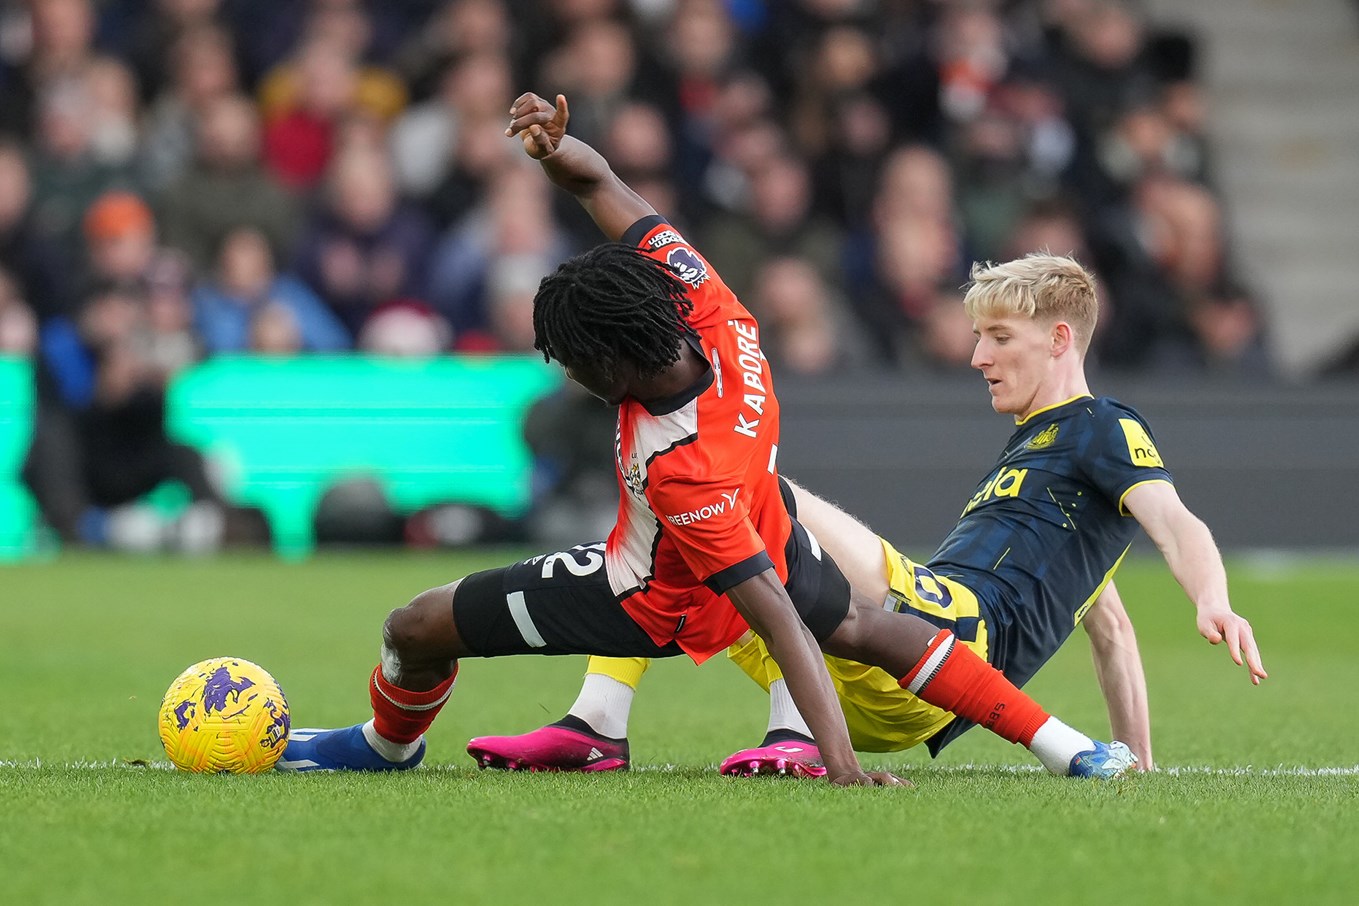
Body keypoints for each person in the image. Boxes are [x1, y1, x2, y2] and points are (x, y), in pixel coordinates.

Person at [278, 93, 1137, 786]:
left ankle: (388, 748)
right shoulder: (716, 316)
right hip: (766, 523)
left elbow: (772, 620)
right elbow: (624, 204)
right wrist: (560, 156)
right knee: (876, 630)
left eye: (575, 362)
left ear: (614, 364)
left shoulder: (681, 465)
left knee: (414, 625)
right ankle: (1070, 748)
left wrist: (841, 767)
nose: (569, 377)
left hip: (652, 592)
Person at [466, 252, 1267, 777]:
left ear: (1060, 339)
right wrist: (1145, 766)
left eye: (997, 337)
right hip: (876, 686)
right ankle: (602, 722)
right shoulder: (1044, 472)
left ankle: (742, 733)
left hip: (944, 635)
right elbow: (1110, 630)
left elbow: (1175, 520)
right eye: (976, 336)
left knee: (741, 494)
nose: (977, 356)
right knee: (679, 543)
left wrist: (1212, 597)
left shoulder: (1099, 426)